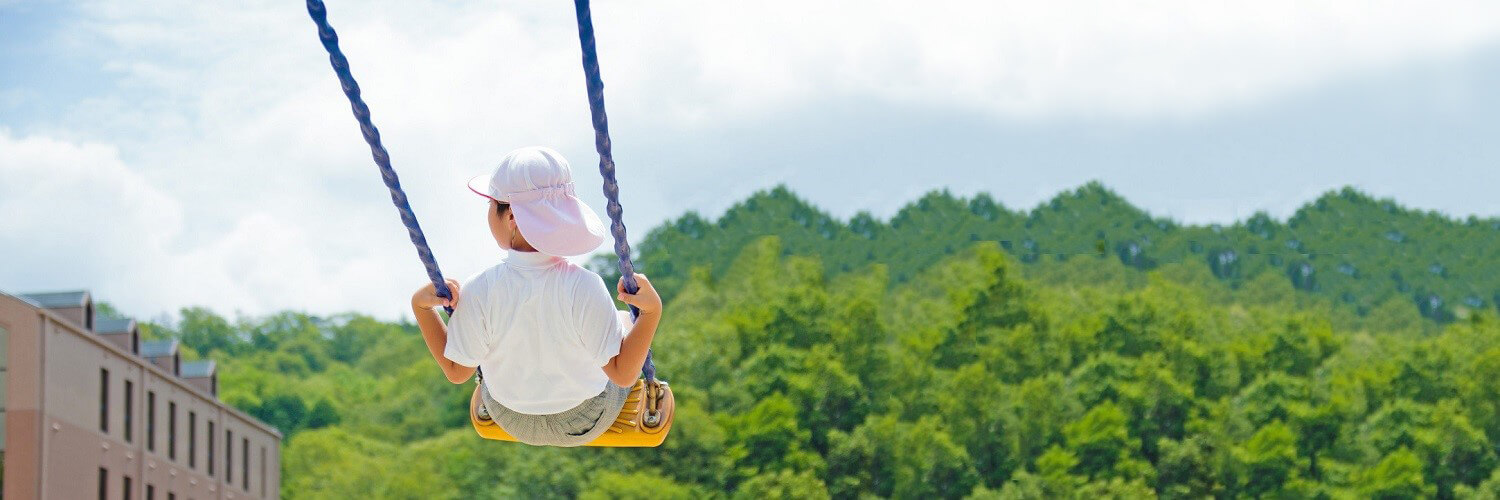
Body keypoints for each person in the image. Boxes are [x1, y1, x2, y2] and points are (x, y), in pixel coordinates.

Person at [409, 146, 662, 447]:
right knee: (623, 324)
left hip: (509, 416)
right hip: (584, 419)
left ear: (512, 216)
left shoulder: (479, 288)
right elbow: (622, 375)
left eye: (491, 204)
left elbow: (456, 371)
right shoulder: (584, 286)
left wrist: (422, 308)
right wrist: (651, 313)